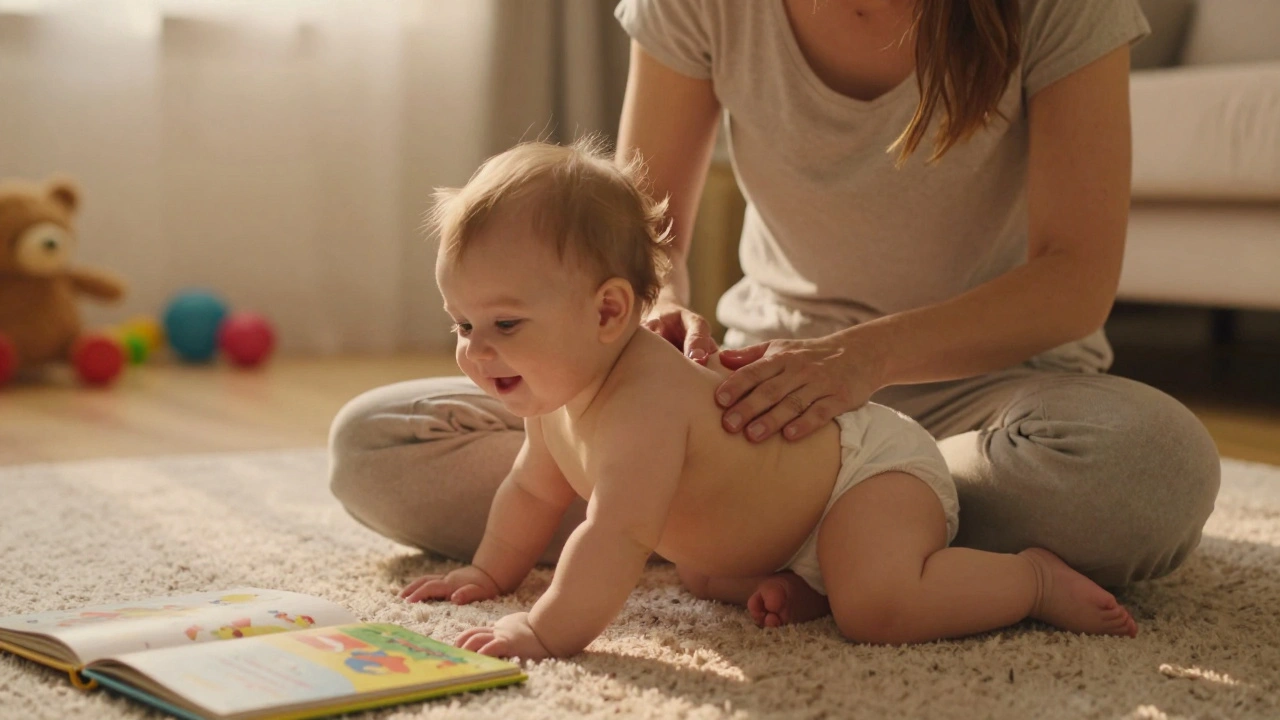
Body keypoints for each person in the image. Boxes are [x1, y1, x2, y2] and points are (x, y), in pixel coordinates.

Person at [329, 0, 1220, 594]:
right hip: (750, 411)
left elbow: (1074, 280)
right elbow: (647, 240)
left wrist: (862, 361)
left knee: (1150, 474)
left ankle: (780, 532)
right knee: (376, 444)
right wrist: (659, 313)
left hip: (987, 399)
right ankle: (840, 551)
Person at [399, 139, 1137, 659]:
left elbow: (614, 535)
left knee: (878, 608)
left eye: (504, 324)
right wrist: (489, 573)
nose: (476, 348)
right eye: (461, 323)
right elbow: (531, 489)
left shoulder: (643, 401)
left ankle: (1030, 579)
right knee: (699, 569)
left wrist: (546, 627)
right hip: (783, 527)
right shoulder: (555, 395)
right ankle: (804, 584)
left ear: (607, 313)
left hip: (864, 472)